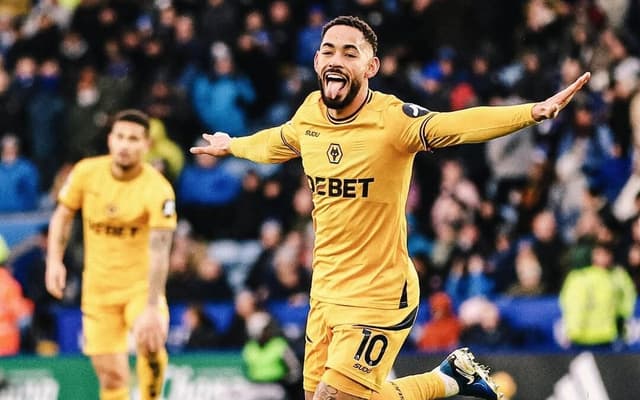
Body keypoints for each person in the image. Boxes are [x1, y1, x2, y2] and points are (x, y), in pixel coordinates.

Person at [191, 15, 591, 400]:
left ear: (371, 66)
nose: (336, 60)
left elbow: (456, 125)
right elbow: (278, 140)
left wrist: (532, 112)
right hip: (325, 291)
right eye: (328, 51)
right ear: (316, 61)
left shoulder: (392, 120)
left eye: (350, 53)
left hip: (379, 293)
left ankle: (447, 381)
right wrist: (233, 145)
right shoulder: (309, 114)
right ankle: (449, 379)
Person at [45, 110, 177, 400]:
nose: (125, 145)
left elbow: (159, 250)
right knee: (110, 376)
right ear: (109, 140)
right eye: (119, 137)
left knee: (151, 340)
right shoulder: (86, 173)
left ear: (147, 145)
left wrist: (153, 306)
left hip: (140, 288)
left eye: (133, 139)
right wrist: (54, 261)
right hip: (98, 290)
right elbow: (61, 217)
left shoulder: (158, 189)